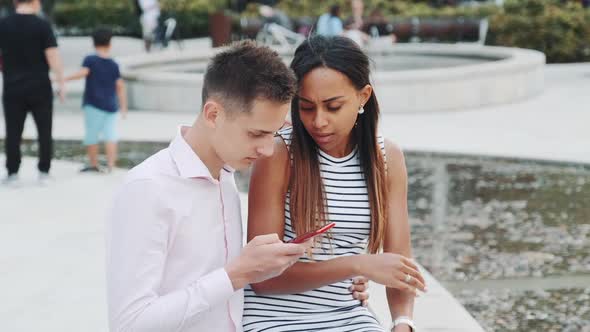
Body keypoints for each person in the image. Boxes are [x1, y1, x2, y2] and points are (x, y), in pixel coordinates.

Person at [106, 41, 319, 331]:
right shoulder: (148, 188)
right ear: (213, 114)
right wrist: (235, 274)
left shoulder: (225, 175)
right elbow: (130, 324)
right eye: (257, 133)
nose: (268, 150)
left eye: (274, 133)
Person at [243, 36, 426, 332]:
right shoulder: (279, 153)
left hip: (349, 316)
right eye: (305, 107)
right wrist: (356, 264)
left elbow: (400, 265)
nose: (319, 121)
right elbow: (263, 277)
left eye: (333, 106)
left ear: (363, 96)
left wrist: (403, 323)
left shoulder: (386, 158)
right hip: (274, 318)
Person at [0, 0, 65, 186]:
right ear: (35, 2)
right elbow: (52, 55)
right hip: (40, 86)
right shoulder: (42, 25)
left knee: (13, 132)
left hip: (12, 87)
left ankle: (12, 173)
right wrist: (61, 82)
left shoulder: (3, 24)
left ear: (15, 2)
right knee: (44, 131)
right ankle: (44, 172)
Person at [64, 28, 127, 173]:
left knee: (92, 134)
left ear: (93, 43)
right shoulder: (113, 64)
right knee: (110, 135)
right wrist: (123, 107)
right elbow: (120, 86)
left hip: (93, 104)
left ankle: (94, 164)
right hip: (111, 106)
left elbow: (82, 73)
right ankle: (111, 165)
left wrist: (63, 78)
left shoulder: (90, 60)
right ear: (110, 43)